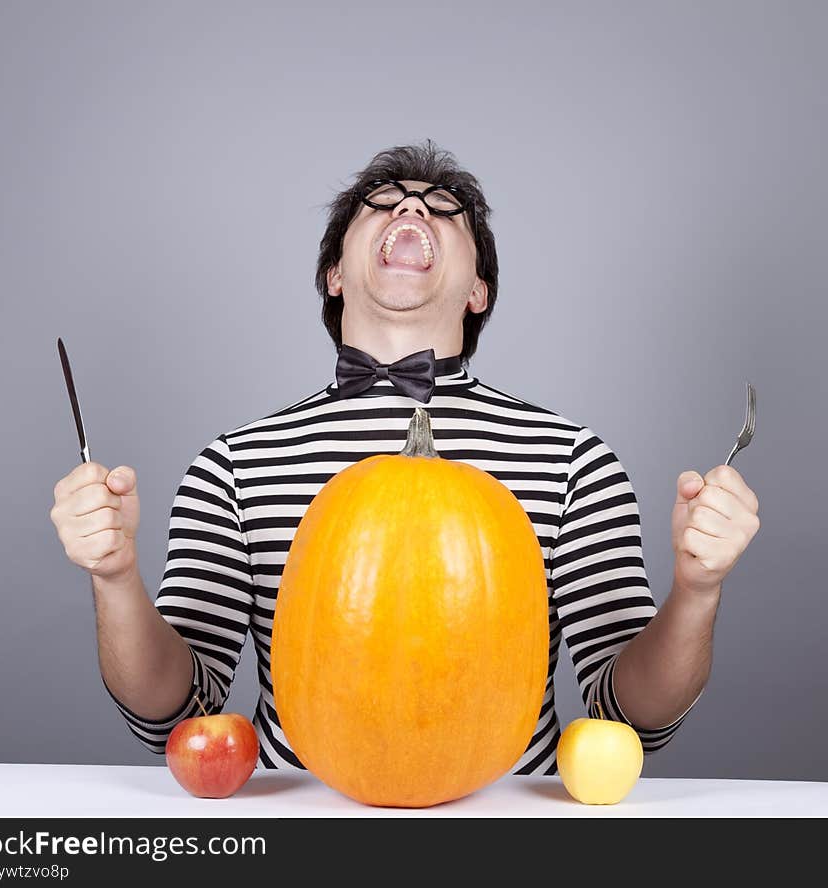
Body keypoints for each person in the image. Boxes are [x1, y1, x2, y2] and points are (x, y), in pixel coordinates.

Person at [49, 140, 760, 775]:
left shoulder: (574, 458)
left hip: (502, 819)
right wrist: (114, 580)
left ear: (478, 290)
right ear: (334, 274)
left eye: (445, 209)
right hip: (304, 821)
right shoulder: (234, 462)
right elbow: (174, 716)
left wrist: (697, 593)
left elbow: (631, 721)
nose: (412, 209)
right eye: (380, 202)